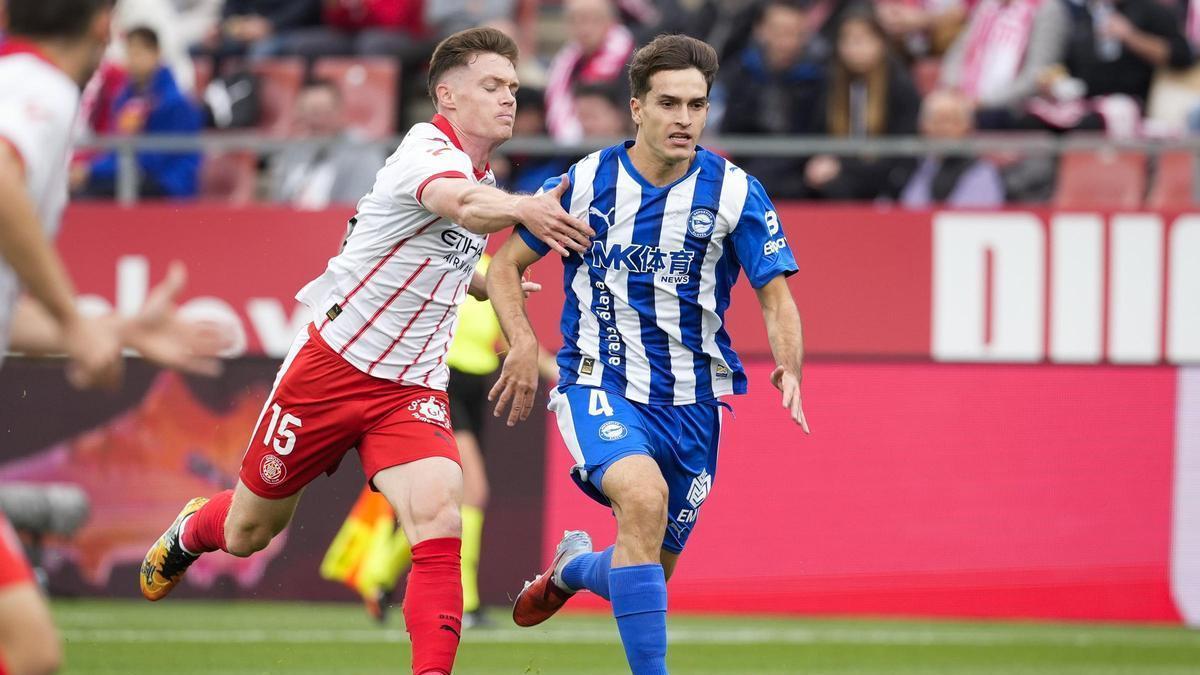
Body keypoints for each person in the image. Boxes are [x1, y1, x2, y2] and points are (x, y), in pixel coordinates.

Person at [138, 27, 593, 675]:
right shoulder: (425, 149)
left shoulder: (485, 175)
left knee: (440, 516)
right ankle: (189, 531)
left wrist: (490, 279)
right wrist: (525, 210)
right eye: (492, 85)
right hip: (332, 366)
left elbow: (443, 243)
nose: (508, 99)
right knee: (248, 531)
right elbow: (457, 203)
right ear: (448, 95)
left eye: (514, 88)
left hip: (410, 389)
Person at [486, 34, 810, 675]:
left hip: (695, 401)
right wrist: (523, 342)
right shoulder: (585, 184)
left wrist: (789, 363)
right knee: (641, 498)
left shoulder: (737, 193)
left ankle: (575, 566)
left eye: (697, 104)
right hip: (599, 381)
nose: (684, 118)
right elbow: (504, 266)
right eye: (669, 103)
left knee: (648, 566)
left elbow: (776, 298)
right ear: (637, 107)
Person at [0, 2, 229, 674]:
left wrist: (113, 330)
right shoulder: (34, 89)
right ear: (104, 24)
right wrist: (75, 320)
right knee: (29, 650)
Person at [804, 8, 920, 201]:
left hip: (885, 175)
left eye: (861, 39)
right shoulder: (830, 82)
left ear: (881, 42)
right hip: (840, 173)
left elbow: (903, 151)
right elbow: (817, 132)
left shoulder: (899, 85)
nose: (853, 48)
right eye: (846, 40)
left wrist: (842, 165)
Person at [74, 26, 202, 200]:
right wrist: (90, 169)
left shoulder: (174, 102)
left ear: (156, 53)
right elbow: (116, 147)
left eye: (140, 53)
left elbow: (154, 159)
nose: (133, 60)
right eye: (130, 53)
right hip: (131, 173)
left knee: (89, 194)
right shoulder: (122, 99)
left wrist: (93, 171)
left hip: (167, 183)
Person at [715, 0, 825, 199]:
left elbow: (819, 136)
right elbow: (731, 132)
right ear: (761, 30)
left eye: (795, 33)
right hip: (746, 176)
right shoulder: (740, 74)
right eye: (779, 31)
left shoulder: (821, 76)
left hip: (802, 181)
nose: (786, 41)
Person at [938, 0, 1070, 129]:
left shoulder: (1047, 8)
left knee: (982, 118)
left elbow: (1036, 75)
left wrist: (983, 102)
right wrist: (953, 90)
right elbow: (958, 53)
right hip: (966, 100)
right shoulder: (985, 6)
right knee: (940, 111)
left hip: (1013, 107)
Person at [267, 78, 386, 210]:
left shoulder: (363, 151)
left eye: (323, 112)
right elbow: (278, 203)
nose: (316, 120)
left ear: (340, 111)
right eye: (309, 112)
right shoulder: (293, 149)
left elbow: (360, 208)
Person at [544, 0, 635, 143]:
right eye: (575, 20)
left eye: (592, 19)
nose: (584, 28)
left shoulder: (633, 61)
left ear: (612, 22)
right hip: (571, 150)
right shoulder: (565, 65)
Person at [900, 89, 1006, 208]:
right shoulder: (917, 167)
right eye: (937, 121)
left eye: (952, 121)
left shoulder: (982, 172)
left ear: (968, 127)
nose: (944, 129)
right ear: (923, 127)